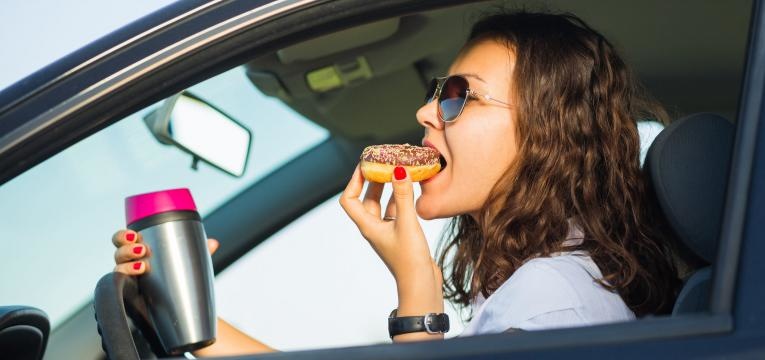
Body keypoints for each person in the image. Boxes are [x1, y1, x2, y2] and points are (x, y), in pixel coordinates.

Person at [111, 10, 681, 356]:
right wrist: (186, 316)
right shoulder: (541, 285)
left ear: (545, 134)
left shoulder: (554, 301)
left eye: (460, 96)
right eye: (437, 92)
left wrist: (417, 288)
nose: (427, 112)